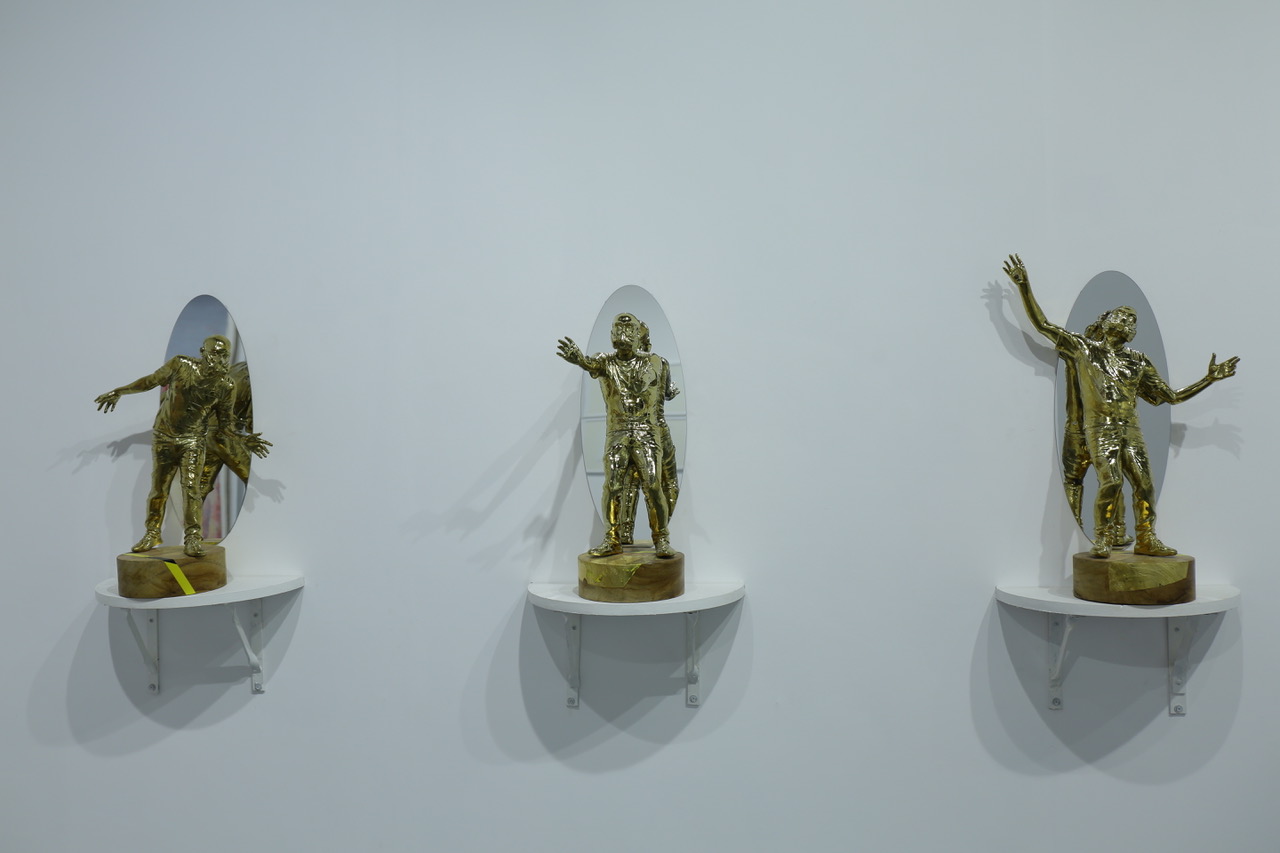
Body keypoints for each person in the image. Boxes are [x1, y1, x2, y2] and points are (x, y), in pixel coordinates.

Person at [1004, 254, 1238, 558]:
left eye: (1133, 321)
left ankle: (1146, 538)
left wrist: (1209, 379)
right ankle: (1102, 538)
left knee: (1145, 484)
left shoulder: (1138, 361)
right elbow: (1043, 325)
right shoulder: (1083, 349)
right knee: (1111, 481)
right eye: (1123, 316)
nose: (1129, 322)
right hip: (1099, 429)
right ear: (1104, 322)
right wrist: (1024, 287)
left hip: (1131, 430)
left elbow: (1170, 396)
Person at [95, 335, 271, 557]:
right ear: (203, 352)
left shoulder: (226, 386)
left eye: (224, 355)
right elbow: (150, 381)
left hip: (193, 441)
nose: (220, 360)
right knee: (159, 488)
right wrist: (119, 391)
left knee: (191, 489)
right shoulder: (180, 364)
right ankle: (152, 533)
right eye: (215, 354)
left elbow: (226, 426)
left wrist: (244, 439)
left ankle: (193, 538)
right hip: (164, 437)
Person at [557, 313, 679, 558]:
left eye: (629, 329)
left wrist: (669, 395)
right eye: (618, 329)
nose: (623, 334)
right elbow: (589, 364)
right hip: (618, 431)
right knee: (612, 485)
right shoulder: (605, 361)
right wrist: (579, 360)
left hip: (647, 431)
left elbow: (665, 394)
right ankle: (612, 539)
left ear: (639, 336)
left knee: (652, 484)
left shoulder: (658, 362)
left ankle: (661, 539)